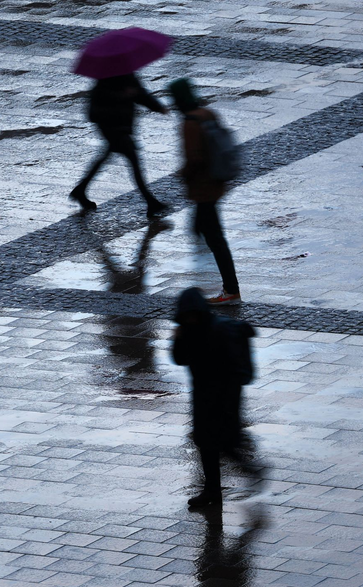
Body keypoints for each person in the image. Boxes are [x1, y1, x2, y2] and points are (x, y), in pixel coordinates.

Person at [172, 287, 258, 508]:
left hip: (224, 394)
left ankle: (251, 470)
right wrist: (178, 340)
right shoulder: (187, 331)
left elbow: (235, 367)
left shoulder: (218, 330)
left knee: (224, 442)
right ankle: (211, 491)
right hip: (202, 394)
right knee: (204, 441)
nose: (190, 319)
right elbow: (180, 359)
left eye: (193, 314)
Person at [168, 77, 241, 305]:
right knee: (208, 232)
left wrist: (183, 174)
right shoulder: (208, 114)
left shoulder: (189, 122)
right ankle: (229, 288)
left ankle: (231, 290)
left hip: (203, 188)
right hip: (216, 183)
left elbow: (195, 158)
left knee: (215, 239)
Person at [70, 73, 168, 215]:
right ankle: (151, 202)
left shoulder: (122, 74)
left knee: (106, 157)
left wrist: (157, 107)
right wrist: (124, 95)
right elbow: (99, 105)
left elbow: (139, 93)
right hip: (113, 126)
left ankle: (80, 190)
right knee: (133, 161)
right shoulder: (109, 78)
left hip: (118, 125)